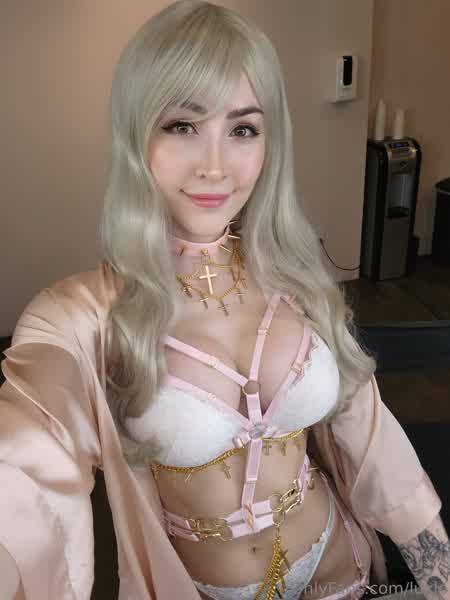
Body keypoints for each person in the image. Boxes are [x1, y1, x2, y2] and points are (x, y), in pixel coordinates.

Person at [0, 2, 446, 599]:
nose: (215, 167)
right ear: (136, 134)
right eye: (182, 126)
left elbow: (371, 439)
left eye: (242, 130)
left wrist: (441, 577)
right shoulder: (77, 319)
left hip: (341, 567)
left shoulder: (294, 273)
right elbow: (23, 477)